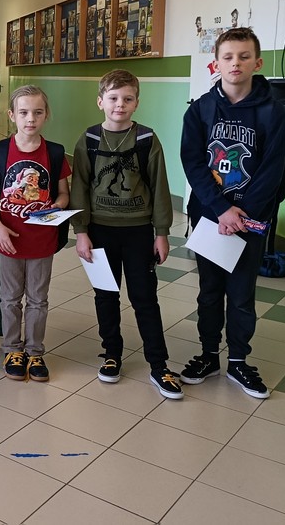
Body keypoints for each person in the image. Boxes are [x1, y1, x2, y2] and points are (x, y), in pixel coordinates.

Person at [180, 27, 285, 399]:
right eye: (228, 57)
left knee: (241, 293)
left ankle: (239, 361)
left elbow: (274, 169)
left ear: (257, 62)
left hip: (249, 220)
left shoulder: (273, 112)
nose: (235, 63)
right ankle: (209, 355)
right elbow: (193, 163)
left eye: (244, 56)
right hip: (210, 216)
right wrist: (223, 209)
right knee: (209, 291)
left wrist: (242, 215)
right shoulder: (200, 109)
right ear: (216, 63)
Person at [71, 69, 181, 399]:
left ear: (136, 103)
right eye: (114, 98)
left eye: (128, 99)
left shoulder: (147, 139)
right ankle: (111, 355)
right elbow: (79, 188)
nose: (120, 104)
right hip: (99, 232)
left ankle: (159, 364)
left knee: (145, 298)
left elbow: (159, 187)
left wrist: (162, 232)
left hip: (138, 232)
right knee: (106, 295)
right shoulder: (89, 140)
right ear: (100, 101)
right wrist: (81, 231)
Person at [0, 85, 70, 383]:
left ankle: (34, 351)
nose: (30, 118)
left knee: (38, 299)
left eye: (37, 112)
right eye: (23, 112)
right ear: (12, 115)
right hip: (8, 237)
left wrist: (57, 206)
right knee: (9, 298)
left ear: (46, 115)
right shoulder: (0, 150)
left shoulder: (55, 152)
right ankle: (11, 350)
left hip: (42, 240)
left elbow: (63, 194)